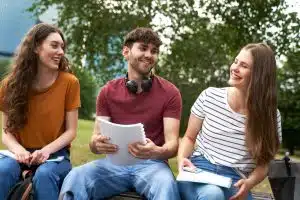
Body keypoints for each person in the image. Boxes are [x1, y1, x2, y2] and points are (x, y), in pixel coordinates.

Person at [59, 27, 182, 200]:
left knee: (166, 185)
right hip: (113, 164)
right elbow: (95, 141)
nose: (149, 55)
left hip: (153, 166)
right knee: (75, 177)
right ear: (126, 51)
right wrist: (97, 144)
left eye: (154, 51)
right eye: (143, 48)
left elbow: (172, 146)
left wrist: (156, 151)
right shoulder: (107, 91)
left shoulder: (170, 93)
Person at [177, 43, 282, 200]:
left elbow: (265, 162)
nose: (235, 68)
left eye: (244, 65)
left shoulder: (271, 115)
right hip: (199, 170)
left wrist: (249, 183)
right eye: (235, 61)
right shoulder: (209, 96)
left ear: (259, 75)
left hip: (235, 181)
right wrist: (181, 161)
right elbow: (189, 138)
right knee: (212, 195)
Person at [0, 23, 80, 200]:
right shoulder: (9, 85)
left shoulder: (70, 82)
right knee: (2, 171)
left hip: (55, 156)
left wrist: (45, 151)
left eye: (62, 47)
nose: (61, 51)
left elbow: (71, 131)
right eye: (54, 45)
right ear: (36, 47)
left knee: (44, 176)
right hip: (17, 153)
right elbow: (6, 132)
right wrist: (18, 150)